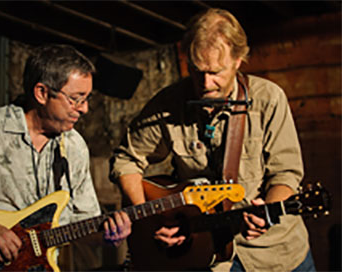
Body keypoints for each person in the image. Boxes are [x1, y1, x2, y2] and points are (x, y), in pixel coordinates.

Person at [110, 8, 315, 272]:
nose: (206, 83)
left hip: (277, 253)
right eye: (196, 71)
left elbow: (286, 172)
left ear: (239, 60)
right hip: (204, 254)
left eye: (216, 72)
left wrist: (267, 210)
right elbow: (127, 160)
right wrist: (150, 219)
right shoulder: (169, 103)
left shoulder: (268, 99)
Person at [0, 44, 131, 266]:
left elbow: (83, 223)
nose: (84, 109)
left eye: (86, 98)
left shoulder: (74, 146)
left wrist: (108, 233)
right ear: (42, 93)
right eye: (76, 98)